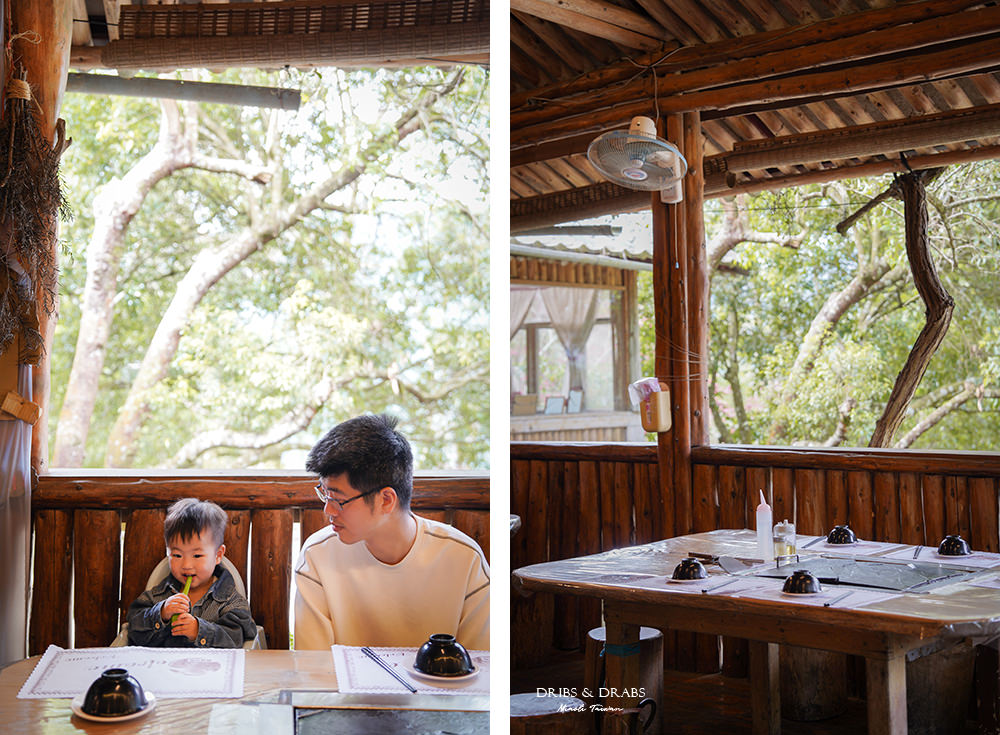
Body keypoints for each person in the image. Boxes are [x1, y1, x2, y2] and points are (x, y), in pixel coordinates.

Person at [294, 414, 489, 650]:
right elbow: (312, 665)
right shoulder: (318, 555)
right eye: (324, 493)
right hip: (343, 688)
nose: (328, 510)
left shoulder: (463, 558)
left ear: (386, 499)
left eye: (338, 499)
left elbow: (481, 667)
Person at [126, 498, 257, 648]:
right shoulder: (157, 596)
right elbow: (133, 628)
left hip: (212, 670)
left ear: (218, 555)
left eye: (197, 556)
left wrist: (199, 631)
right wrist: (160, 613)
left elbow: (237, 638)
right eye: (177, 555)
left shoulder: (231, 602)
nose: (187, 565)